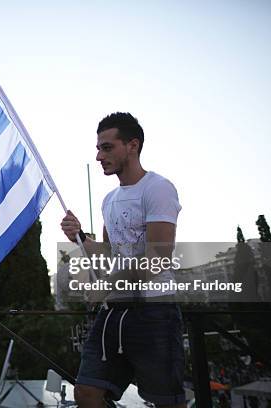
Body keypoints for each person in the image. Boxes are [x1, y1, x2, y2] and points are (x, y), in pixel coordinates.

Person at [61, 112, 185, 408]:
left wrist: (106, 287)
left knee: (166, 401)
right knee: (87, 392)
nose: (99, 155)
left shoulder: (158, 188)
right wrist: (80, 238)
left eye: (107, 147)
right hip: (114, 312)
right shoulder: (108, 200)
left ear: (132, 145)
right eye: (98, 148)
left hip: (155, 311)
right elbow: (111, 254)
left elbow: (158, 258)